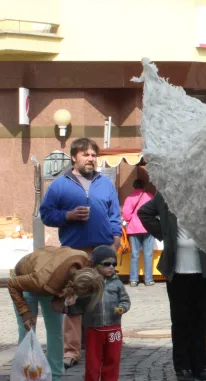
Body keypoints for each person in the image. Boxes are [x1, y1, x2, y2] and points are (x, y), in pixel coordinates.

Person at [39, 137, 122, 369]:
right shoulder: (60, 184)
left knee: (105, 300)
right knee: (74, 300)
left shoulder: (105, 183)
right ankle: (71, 351)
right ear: (74, 156)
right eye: (86, 155)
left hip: (103, 249)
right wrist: (68, 216)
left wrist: (115, 242)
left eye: (94, 155)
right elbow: (46, 214)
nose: (91, 159)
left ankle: (105, 347)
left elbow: (115, 215)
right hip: (74, 252)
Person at [138, 192, 206, 381]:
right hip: (177, 269)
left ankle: (200, 366)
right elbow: (144, 213)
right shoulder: (166, 194)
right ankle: (182, 367)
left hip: (205, 268)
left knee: (201, 318)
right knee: (180, 320)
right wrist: (165, 234)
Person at [7, 247, 105, 381]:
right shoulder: (40, 279)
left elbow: (66, 281)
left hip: (52, 282)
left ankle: (56, 375)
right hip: (26, 282)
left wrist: (60, 299)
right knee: (27, 330)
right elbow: (12, 284)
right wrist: (25, 312)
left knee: (56, 331)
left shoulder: (83, 262)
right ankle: (26, 375)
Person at [69, 246, 130, 381]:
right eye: (107, 264)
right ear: (95, 265)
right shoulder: (88, 283)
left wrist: (122, 308)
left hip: (114, 328)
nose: (111, 267)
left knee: (113, 359)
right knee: (93, 361)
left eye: (114, 264)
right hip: (93, 329)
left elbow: (125, 300)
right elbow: (79, 306)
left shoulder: (117, 283)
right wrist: (70, 305)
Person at [121, 179, 155, 287]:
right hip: (148, 228)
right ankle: (148, 279)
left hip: (134, 229)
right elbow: (155, 211)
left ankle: (133, 280)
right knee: (148, 254)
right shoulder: (150, 196)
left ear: (134, 186)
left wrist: (133, 218)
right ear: (144, 186)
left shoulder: (130, 198)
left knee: (134, 255)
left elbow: (126, 215)